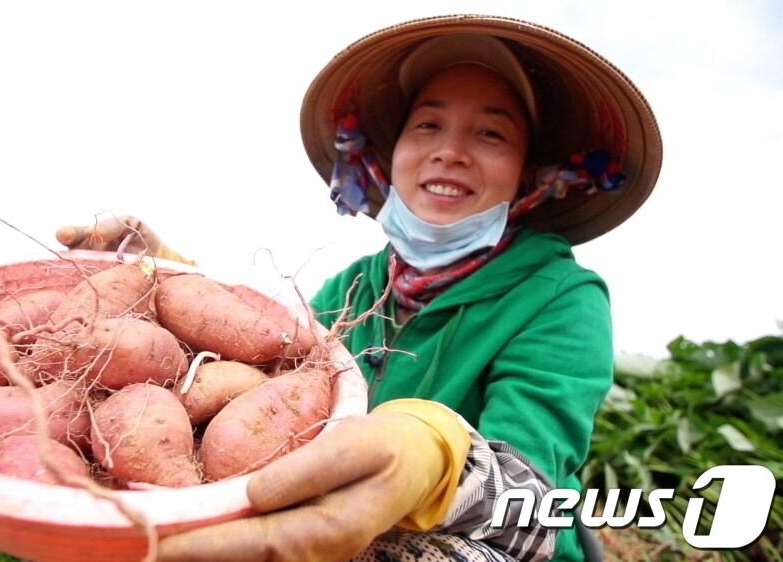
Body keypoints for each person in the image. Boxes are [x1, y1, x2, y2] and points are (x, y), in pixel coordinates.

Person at [56, 15, 661, 562]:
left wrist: (439, 455)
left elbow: (530, 490)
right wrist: (164, 278)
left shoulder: (562, 296)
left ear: (528, 176)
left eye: (490, 135)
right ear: (389, 155)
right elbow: (271, 366)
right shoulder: (355, 287)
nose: (449, 151)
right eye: (428, 125)